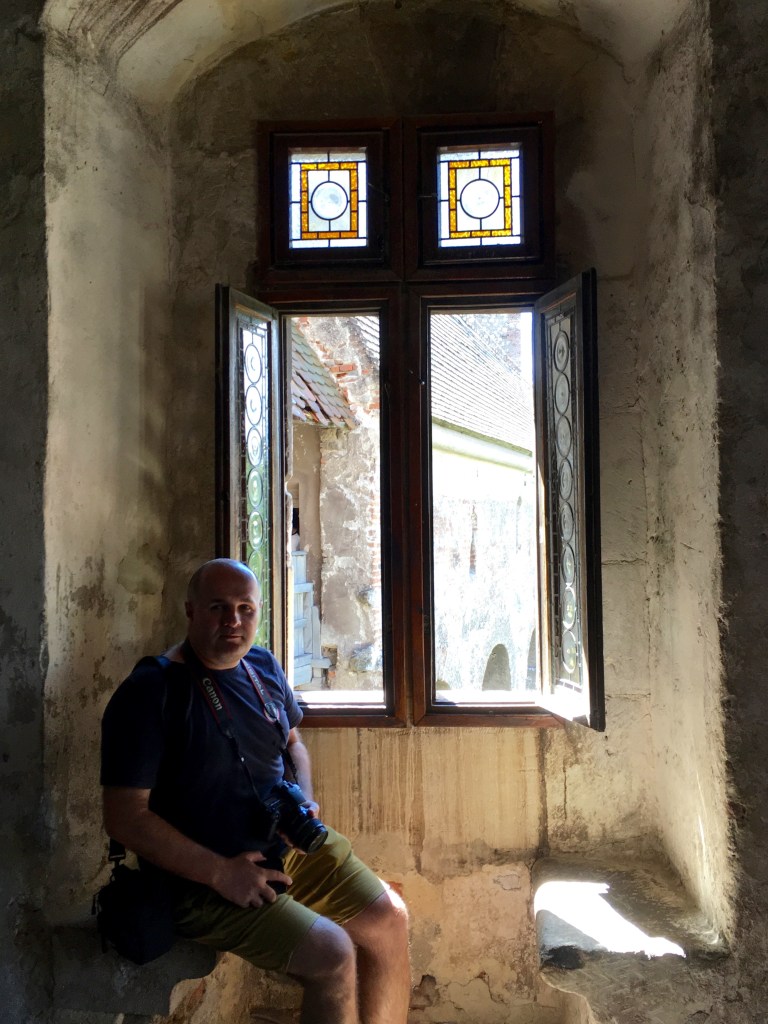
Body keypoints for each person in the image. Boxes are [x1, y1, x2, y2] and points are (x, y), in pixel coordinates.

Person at [100, 558, 410, 1024]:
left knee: (389, 917)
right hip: (202, 879)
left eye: (245, 608)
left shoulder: (261, 666)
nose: (233, 620)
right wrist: (221, 872)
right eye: (218, 607)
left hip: (282, 845)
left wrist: (303, 801)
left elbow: (293, 743)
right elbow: (125, 817)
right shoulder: (151, 692)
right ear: (190, 611)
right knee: (332, 956)